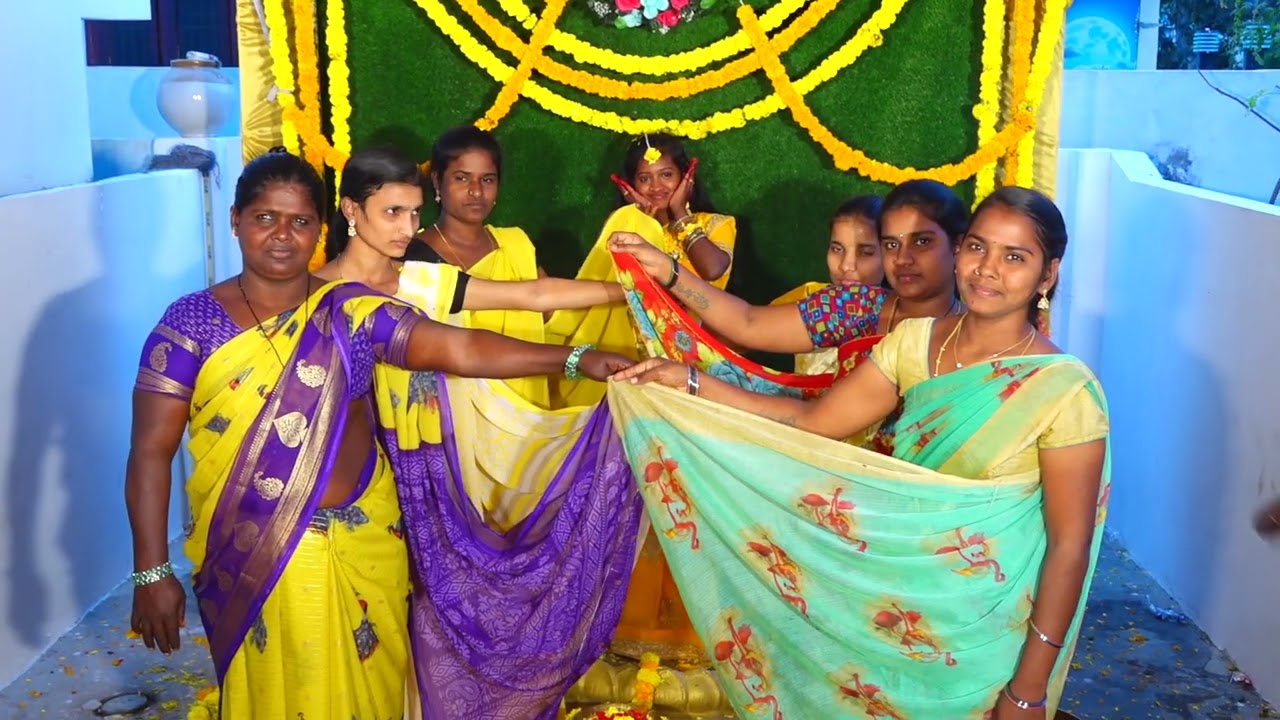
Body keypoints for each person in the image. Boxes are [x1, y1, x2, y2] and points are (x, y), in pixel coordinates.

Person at [125, 149, 633, 719]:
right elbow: (150, 450)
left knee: (375, 697)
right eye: (266, 217)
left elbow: (460, 348)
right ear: (237, 218)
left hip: (370, 541)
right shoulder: (192, 324)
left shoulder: (353, 312)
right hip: (260, 555)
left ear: (320, 229)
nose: (282, 236)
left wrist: (574, 358)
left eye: (299, 221)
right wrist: (151, 569)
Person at [610, 186, 1110, 718]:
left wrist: (1029, 687)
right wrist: (690, 383)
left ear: (1047, 275)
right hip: (885, 601)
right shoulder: (913, 343)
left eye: (1015, 257)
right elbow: (813, 420)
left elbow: (1068, 547)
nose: (988, 269)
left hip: (980, 632)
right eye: (979, 248)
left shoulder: (1063, 392)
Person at [408, 125, 557, 407]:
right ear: (438, 182)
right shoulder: (414, 255)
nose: (476, 191)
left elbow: (554, 316)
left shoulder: (515, 244)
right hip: (451, 419)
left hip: (527, 418)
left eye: (487, 180)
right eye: (462, 178)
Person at [767, 194, 885, 375]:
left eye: (866, 252)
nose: (846, 265)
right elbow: (745, 327)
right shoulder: (810, 298)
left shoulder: (903, 323)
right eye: (837, 249)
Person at [611, 132, 734, 288]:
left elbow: (712, 270)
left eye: (666, 175)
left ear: (686, 178)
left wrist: (679, 212)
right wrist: (642, 221)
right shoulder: (623, 231)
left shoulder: (716, 224)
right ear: (630, 185)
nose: (656, 186)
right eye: (644, 178)